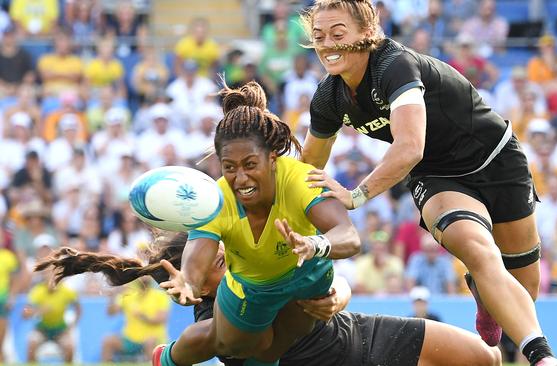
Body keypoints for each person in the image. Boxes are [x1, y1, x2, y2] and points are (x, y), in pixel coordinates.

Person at [299, 1, 557, 365]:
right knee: (478, 249)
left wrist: (356, 195)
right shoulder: (328, 97)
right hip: (437, 175)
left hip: (498, 160)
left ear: (366, 34)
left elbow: (409, 146)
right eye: (318, 36)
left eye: (338, 34)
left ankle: (486, 296)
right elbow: (307, 166)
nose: (327, 44)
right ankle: (543, 357)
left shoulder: (394, 65)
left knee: (524, 287)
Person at [36, 231, 502, 366]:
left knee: (485, 358)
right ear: (189, 275)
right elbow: (214, 341)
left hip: (359, 335)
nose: (221, 254)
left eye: (218, 250)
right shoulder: (216, 325)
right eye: (209, 259)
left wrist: (338, 296)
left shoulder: (253, 262)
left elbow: (333, 279)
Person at [161, 80, 360, 366]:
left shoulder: (299, 179)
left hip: (305, 274)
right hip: (250, 287)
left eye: (250, 164)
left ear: (273, 158)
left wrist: (315, 244)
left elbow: (350, 236)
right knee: (232, 343)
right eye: (229, 167)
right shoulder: (217, 198)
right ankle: (166, 359)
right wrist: (188, 282)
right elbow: (199, 251)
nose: (240, 178)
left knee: (272, 349)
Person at [101, 277, 170, 362]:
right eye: (142, 275)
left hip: (153, 339)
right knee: (108, 341)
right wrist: (113, 296)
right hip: (130, 339)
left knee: (150, 342)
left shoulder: (160, 295)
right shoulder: (128, 294)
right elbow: (111, 313)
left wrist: (142, 316)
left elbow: (161, 319)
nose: (144, 278)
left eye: (147, 275)